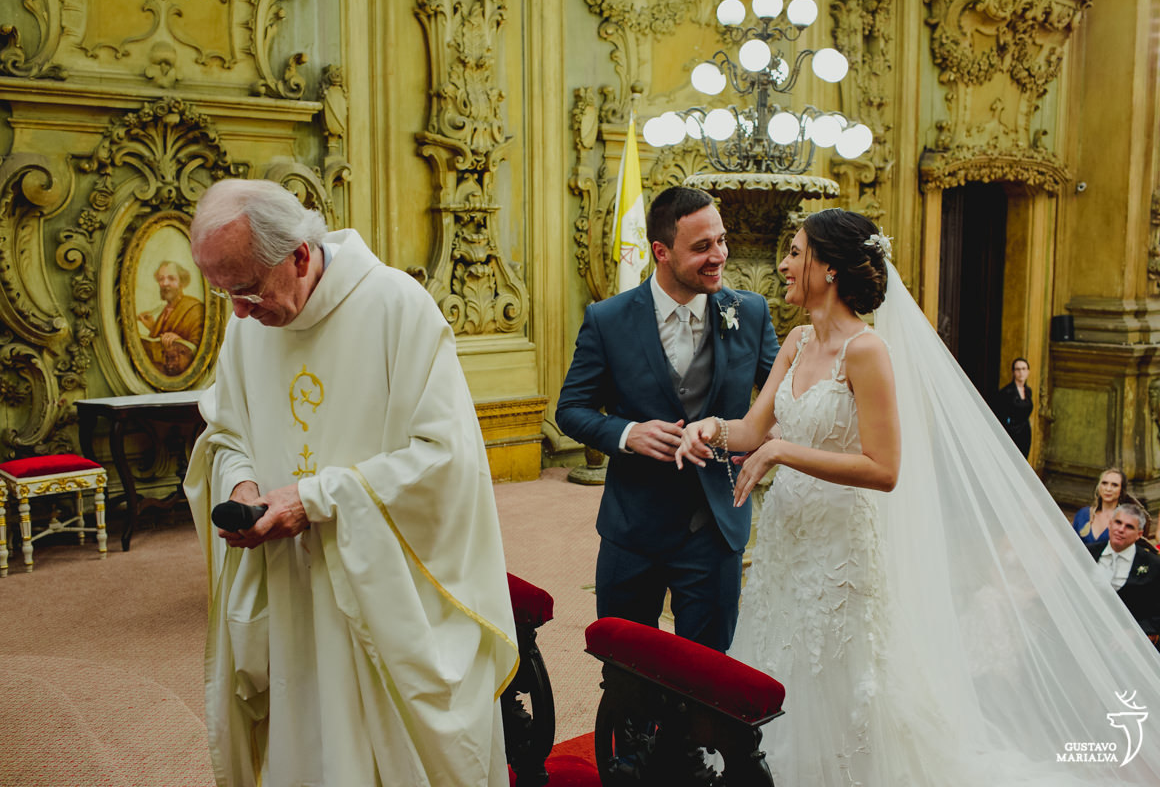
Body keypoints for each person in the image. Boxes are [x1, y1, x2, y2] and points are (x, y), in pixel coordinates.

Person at [677, 208, 1160, 784]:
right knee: (776, 655)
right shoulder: (798, 342)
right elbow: (754, 431)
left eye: (796, 252)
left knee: (836, 676)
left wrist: (784, 454)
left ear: (828, 269)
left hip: (841, 552)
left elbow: (884, 469)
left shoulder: (867, 352)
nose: (783, 264)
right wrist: (710, 429)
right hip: (789, 540)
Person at [182, 179, 517, 787]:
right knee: (305, 731)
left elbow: (446, 457)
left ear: (300, 257)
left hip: (381, 593)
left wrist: (315, 500)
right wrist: (242, 490)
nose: (237, 311)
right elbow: (226, 434)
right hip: (290, 586)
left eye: (247, 289)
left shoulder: (396, 307)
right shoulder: (247, 325)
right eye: (223, 292)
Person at [555, 185, 780, 652]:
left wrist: (762, 442)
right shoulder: (608, 318)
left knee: (709, 674)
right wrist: (626, 433)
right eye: (702, 247)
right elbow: (571, 409)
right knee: (626, 669)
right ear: (661, 251)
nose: (719, 255)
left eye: (721, 240)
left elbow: (782, 403)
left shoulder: (750, 313)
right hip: (633, 527)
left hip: (716, 528)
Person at [1087, 503, 1160, 650]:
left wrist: (1137, 632)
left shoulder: (1153, 565)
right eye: (1118, 523)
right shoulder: (1087, 554)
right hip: (1088, 633)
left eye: (1129, 527)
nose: (1121, 529)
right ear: (1110, 524)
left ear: (1139, 534)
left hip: (1127, 644)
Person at [137, 260, 205, 375]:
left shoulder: (194, 308)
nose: (165, 283)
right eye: (161, 279)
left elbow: (199, 351)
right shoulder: (164, 311)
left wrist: (179, 341)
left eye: (171, 278)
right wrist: (152, 327)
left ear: (182, 283)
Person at [1072, 466, 1137, 545]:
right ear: (1099, 487)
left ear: (1121, 490)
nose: (1108, 489)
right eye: (1104, 483)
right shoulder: (1082, 514)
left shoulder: (1125, 519)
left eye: (1114, 485)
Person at [994, 356, 1033, 456]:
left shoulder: (1028, 391)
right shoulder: (1006, 392)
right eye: (1018, 369)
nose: (1021, 372)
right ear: (1013, 372)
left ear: (1028, 372)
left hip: (1025, 432)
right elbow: (1000, 415)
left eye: (1024, 369)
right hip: (1012, 433)